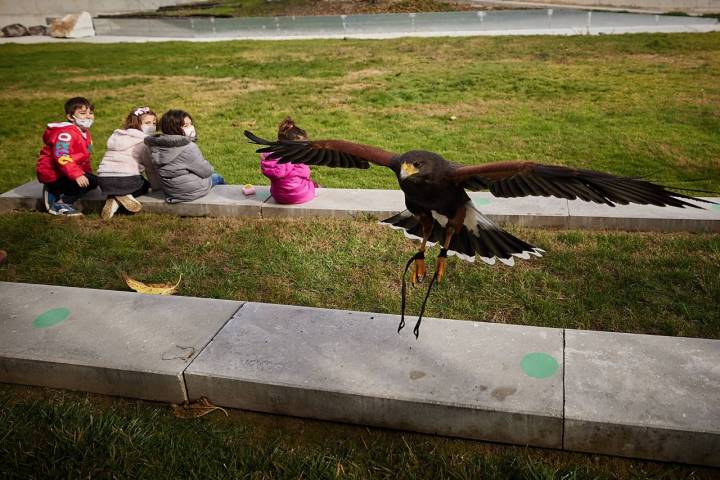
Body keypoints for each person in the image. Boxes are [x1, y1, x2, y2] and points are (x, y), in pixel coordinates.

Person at [144, 109, 225, 203]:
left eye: (191, 124)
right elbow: (206, 172)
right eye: (186, 125)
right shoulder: (188, 147)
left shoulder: (154, 145)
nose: (191, 127)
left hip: (170, 191)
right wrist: (210, 167)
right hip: (191, 191)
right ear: (173, 128)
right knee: (217, 177)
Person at [36, 96, 99, 216]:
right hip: (53, 173)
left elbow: (83, 158)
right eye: (83, 113)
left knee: (93, 181)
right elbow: (61, 155)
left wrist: (86, 174)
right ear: (70, 117)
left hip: (66, 171)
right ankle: (59, 202)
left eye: (90, 113)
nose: (88, 116)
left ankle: (61, 190)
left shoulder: (84, 132)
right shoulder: (66, 134)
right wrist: (77, 175)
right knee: (84, 184)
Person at [97, 106, 157, 220]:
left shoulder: (117, 136)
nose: (152, 126)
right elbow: (150, 167)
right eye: (147, 123)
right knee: (144, 185)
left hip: (104, 180)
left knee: (118, 187)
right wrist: (156, 187)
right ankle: (122, 196)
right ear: (136, 123)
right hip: (127, 180)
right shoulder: (144, 141)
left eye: (154, 123)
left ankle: (114, 199)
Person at [260, 117, 317, 205]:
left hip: (278, 196)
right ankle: (315, 186)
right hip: (299, 195)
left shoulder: (272, 158)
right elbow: (306, 174)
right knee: (310, 184)